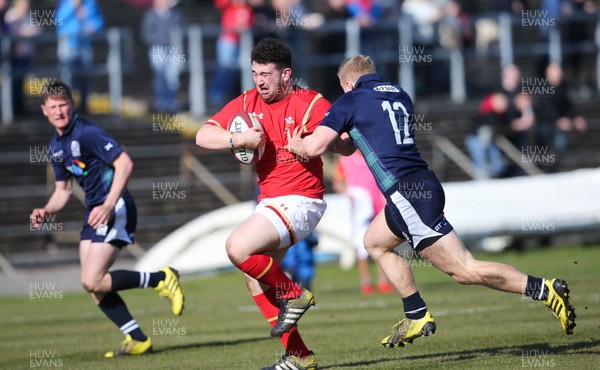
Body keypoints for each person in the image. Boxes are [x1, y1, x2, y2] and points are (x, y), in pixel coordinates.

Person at [286, 54, 576, 349]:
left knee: (464, 270)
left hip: (406, 193)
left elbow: (313, 147)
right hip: (418, 185)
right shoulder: (399, 93)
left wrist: (295, 143)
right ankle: (416, 313)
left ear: (348, 83)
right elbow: (353, 144)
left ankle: (542, 288)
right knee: (374, 242)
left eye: (343, 87)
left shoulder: (351, 100)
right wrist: (335, 138)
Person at [195, 38, 334, 370]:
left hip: (302, 200)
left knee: (236, 248)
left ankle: (295, 293)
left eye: (266, 74)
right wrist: (237, 138)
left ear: (285, 74)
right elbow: (203, 135)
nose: (259, 80)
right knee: (254, 277)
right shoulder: (247, 102)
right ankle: (301, 358)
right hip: (272, 203)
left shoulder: (310, 102)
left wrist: (311, 145)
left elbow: (345, 144)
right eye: (255, 73)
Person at [30, 80, 184, 358]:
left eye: (63, 104)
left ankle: (162, 278)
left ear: (72, 104)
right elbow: (62, 191)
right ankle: (138, 338)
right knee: (91, 284)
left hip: (115, 206)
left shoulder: (86, 132)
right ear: (44, 110)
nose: (59, 111)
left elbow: (124, 162)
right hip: (95, 211)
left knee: (93, 278)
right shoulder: (55, 146)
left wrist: (109, 204)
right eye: (53, 107)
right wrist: (46, 210)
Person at [332, 151, 393, 294]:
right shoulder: (345, 160)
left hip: (379, 205)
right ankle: (366, 282)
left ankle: (383, 280)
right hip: (360, 210)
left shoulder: (375, 155)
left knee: (382, 244)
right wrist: (348, 194)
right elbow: (338, 182)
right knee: (361, 245)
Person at [55, 0, 104, 113]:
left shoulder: (90, 4)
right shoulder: (65, 4)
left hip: (85, 45)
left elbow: (99, 21)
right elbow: (58, 20)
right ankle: (67, 104)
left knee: (85, 76)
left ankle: (84, 103)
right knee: (67, 76)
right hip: (68, 45)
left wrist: (93, 27)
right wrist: (73, 7)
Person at [140, 0, 186, 113]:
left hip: (174, 49)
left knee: (173, 76)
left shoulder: (176, 14)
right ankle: (161, 102)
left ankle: (171, 101)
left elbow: (182, 30)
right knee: (160, 75)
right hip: (158, 49)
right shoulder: (150, 14)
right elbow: (146, 33)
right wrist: (158, 41)